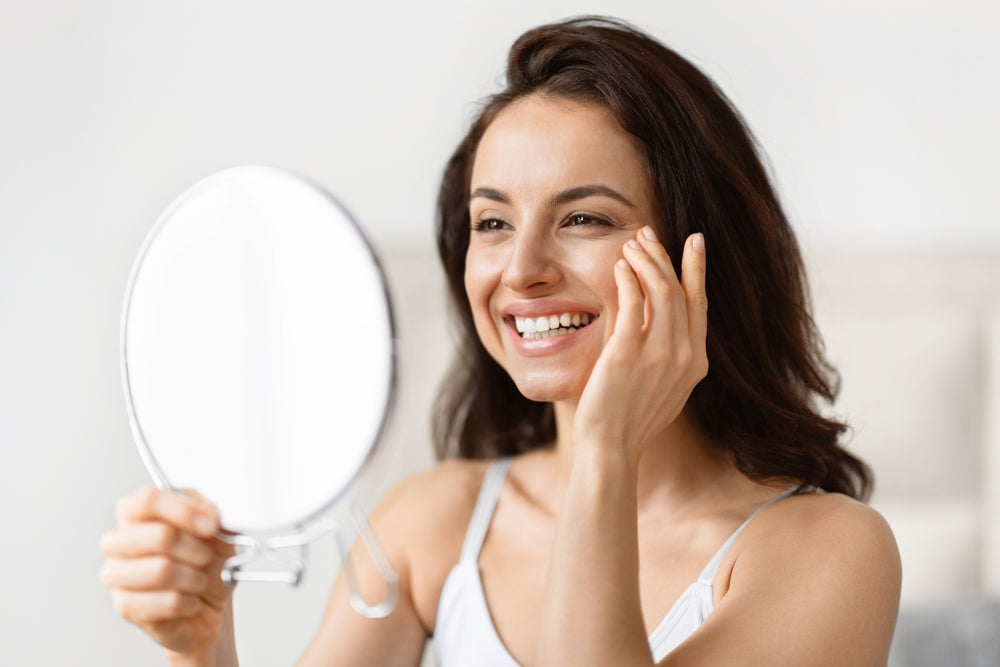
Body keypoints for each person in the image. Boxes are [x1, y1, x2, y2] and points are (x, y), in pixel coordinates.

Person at [100, 16, 901, 666]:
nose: (521, 270)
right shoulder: (433, 523)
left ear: (701, 257)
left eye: (583, 217)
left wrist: (605, 450)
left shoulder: (828, 551)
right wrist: (200, 649)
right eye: (492, 223)